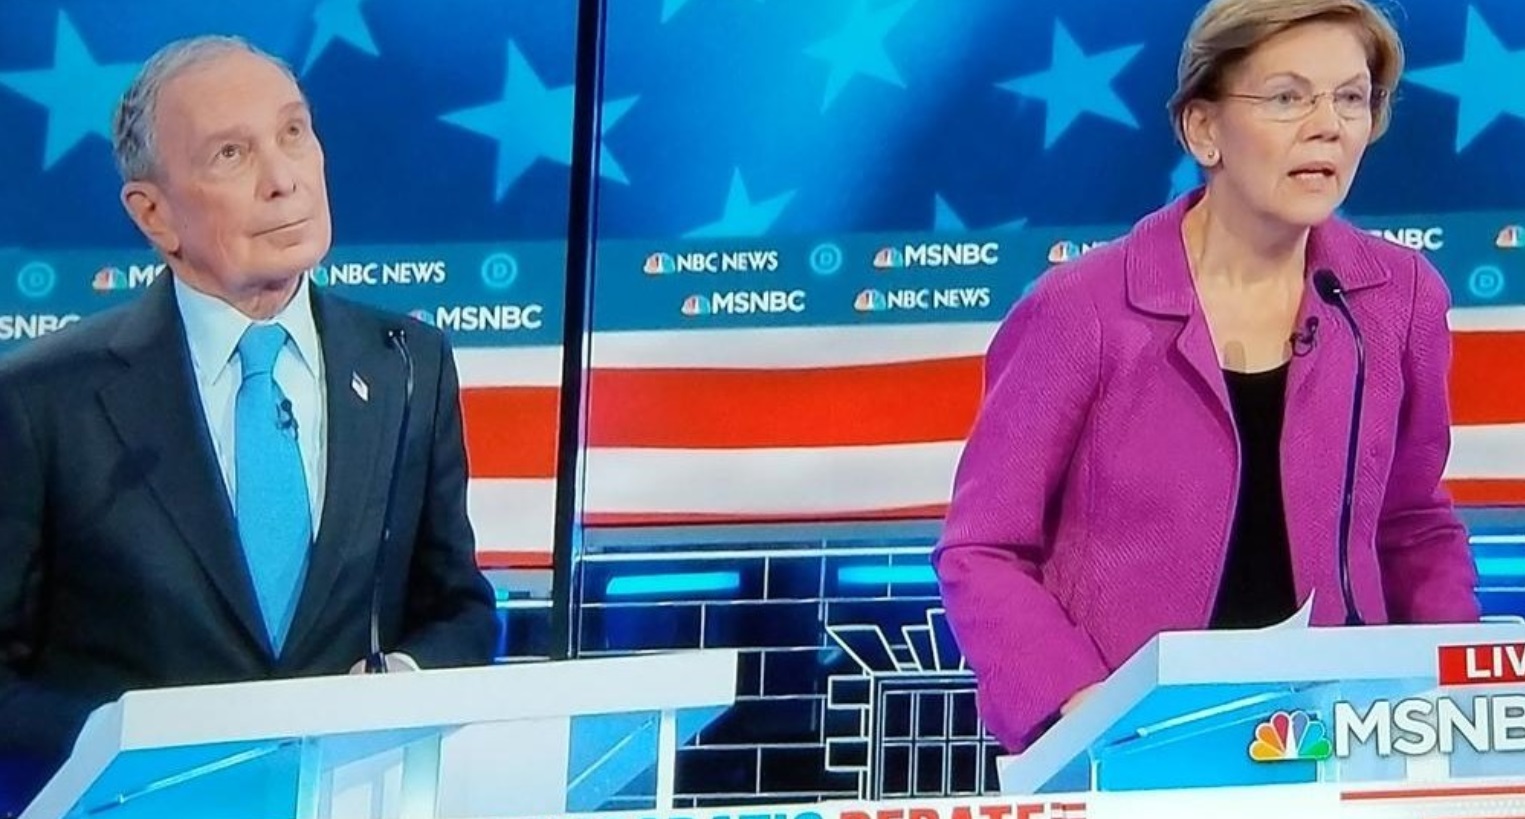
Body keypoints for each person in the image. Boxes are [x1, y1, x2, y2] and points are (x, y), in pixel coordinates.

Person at [932, 0, 1480, 754]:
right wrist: (1082, 706)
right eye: (1287, 96)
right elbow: (982, 547)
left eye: (1351, 98)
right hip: (1127, 741)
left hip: (1340, 737)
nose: (1327, 124)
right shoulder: (1083, 309)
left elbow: (1412, 526)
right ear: (1203, 129)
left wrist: (1454, 697)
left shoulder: (1398, 297)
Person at [0, 36, 497, 806]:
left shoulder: (408, 364)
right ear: (155, 213)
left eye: (294, 132)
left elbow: (456, 610)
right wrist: (145, 747)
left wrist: (397, 689)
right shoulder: (42, 401)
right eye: (231, 154)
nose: (283, 179)